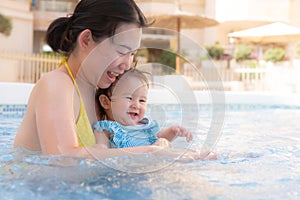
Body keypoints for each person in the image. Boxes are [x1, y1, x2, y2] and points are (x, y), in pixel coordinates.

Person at [13, 0, 210, 161]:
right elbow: (63, 160)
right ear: (86, 40)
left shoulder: (102, 94)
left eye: (132, 54)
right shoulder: (56, 85)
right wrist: (150, 153)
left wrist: (160, 145)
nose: (127, 64)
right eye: (122, 51)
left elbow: (123, 142)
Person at [93, 68, 193, 148]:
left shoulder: (146, 125)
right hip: (130, 169)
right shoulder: (107, 129)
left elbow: (156, 138)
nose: (136, 105)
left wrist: (172, 131)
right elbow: (102, 153)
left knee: (163, 142)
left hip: (152, 164)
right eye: (129, 98)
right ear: (105, 102)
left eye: (142, 101)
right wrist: (100, 147)